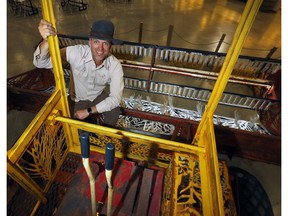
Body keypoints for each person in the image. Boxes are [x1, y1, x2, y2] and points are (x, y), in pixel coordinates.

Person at [33, 19, 124, 126]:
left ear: (110, 46)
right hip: (77, 99)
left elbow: (115, 98)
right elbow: (40, 63)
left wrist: (88, 111)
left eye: (105, 43)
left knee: (115, 111)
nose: (100, 48)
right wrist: (47, 41)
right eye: (96, 42)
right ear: (90, 42)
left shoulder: (115, 65)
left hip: (97, 96)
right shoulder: (76, 53)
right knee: (76, 128)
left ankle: (104, 135)